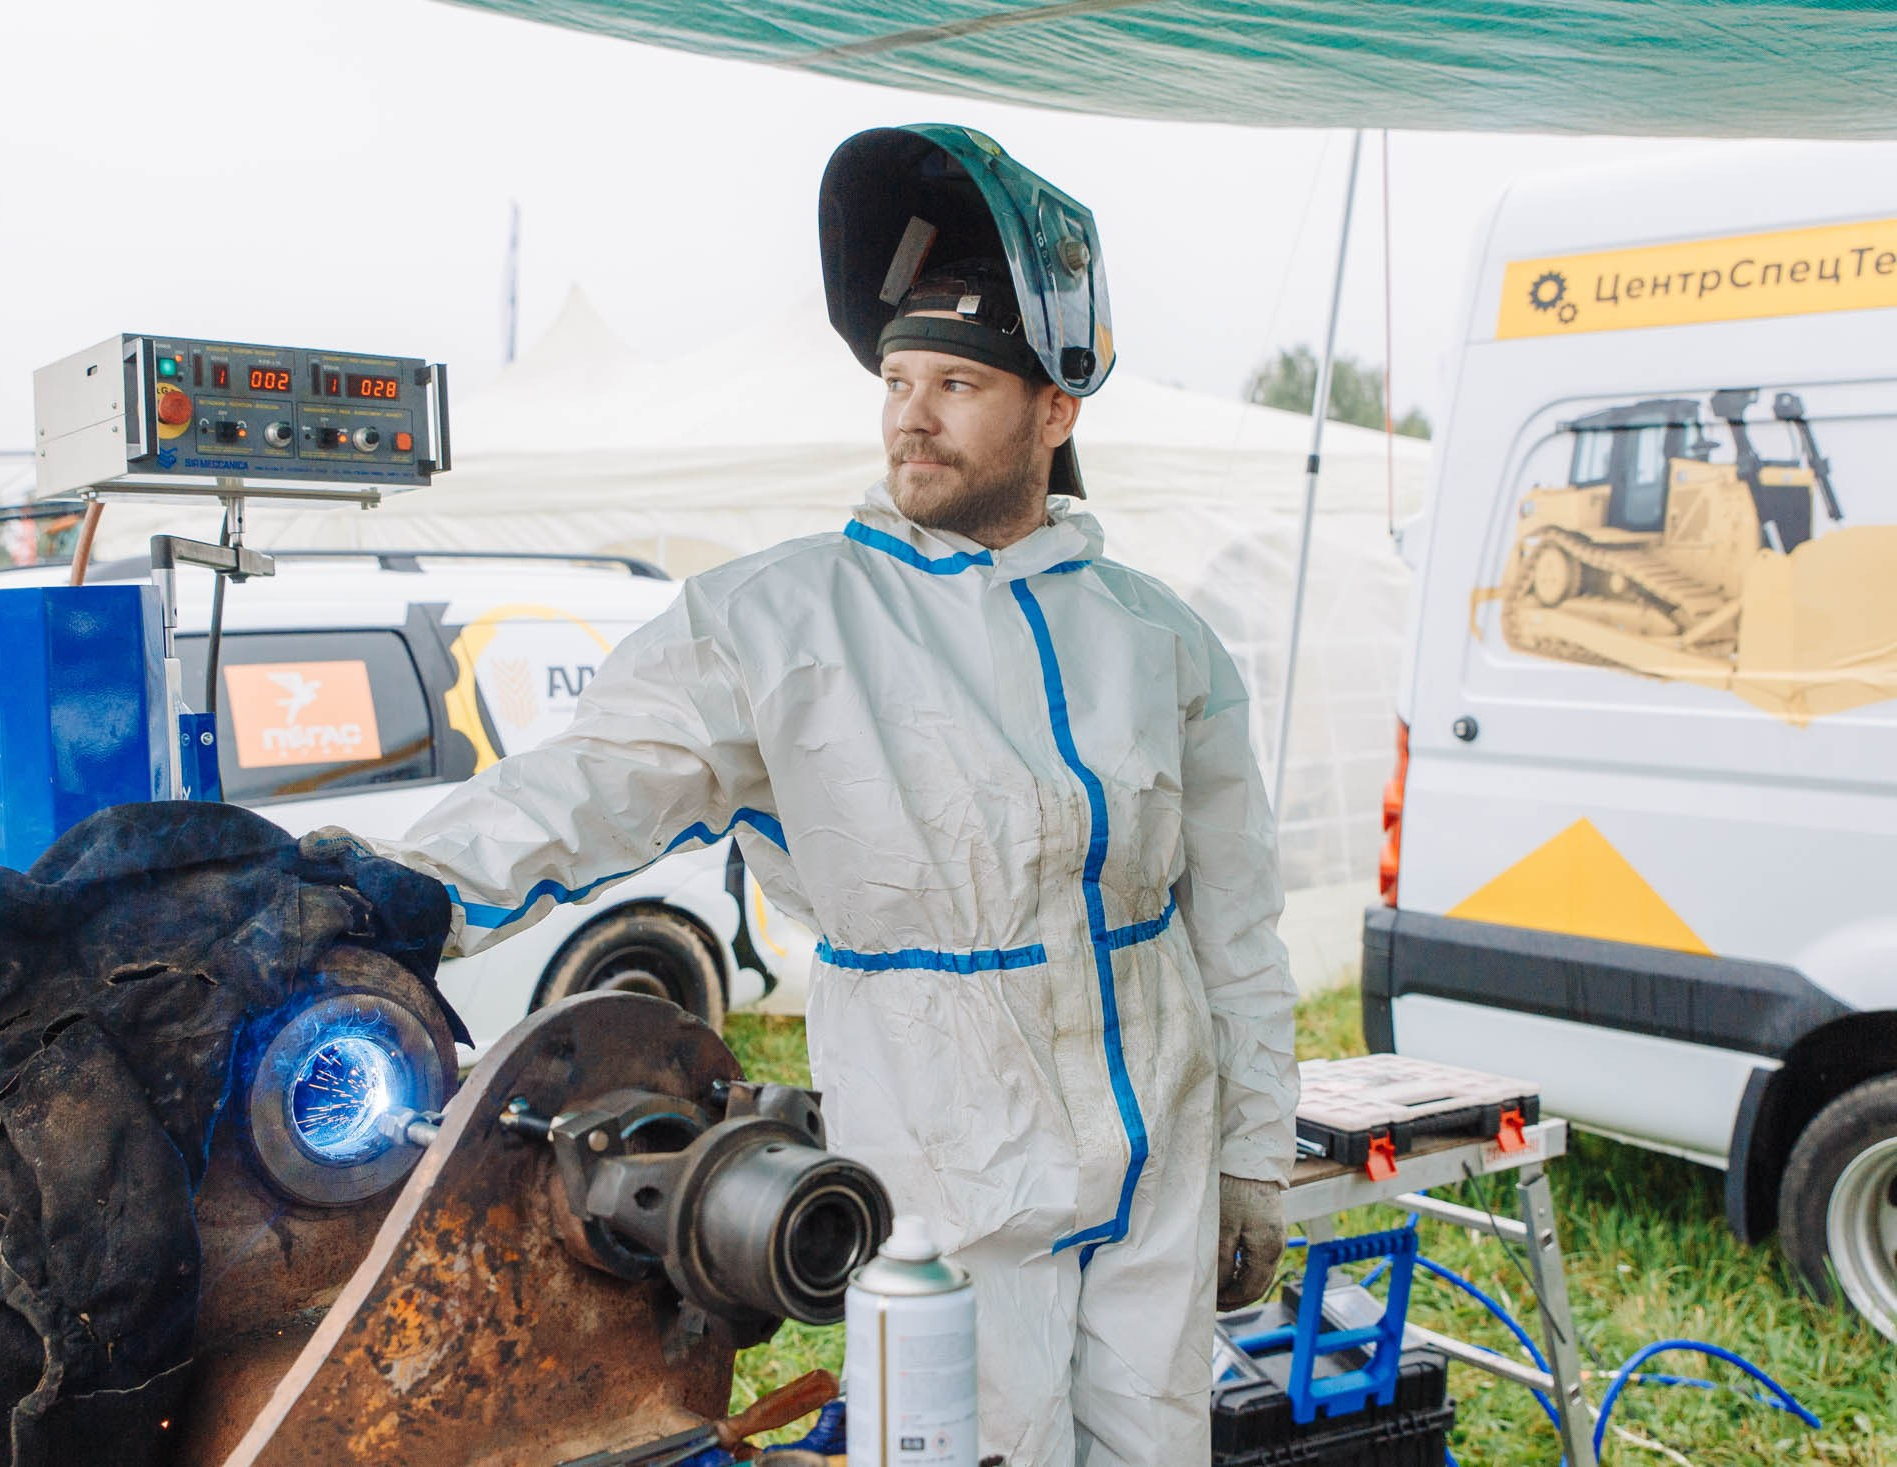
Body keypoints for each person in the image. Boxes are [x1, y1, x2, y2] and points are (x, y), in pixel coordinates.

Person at [340, 124, 1297, 1464]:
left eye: (959, 381)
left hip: (1163, 1176)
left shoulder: (1158, 639)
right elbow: (596, 783)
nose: (912, 412)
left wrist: (1251, 1156)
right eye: (900, 378)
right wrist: (399, 889)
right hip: (952, 1183)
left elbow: (1238, 924)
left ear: (1056, 410)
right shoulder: (782, 622)